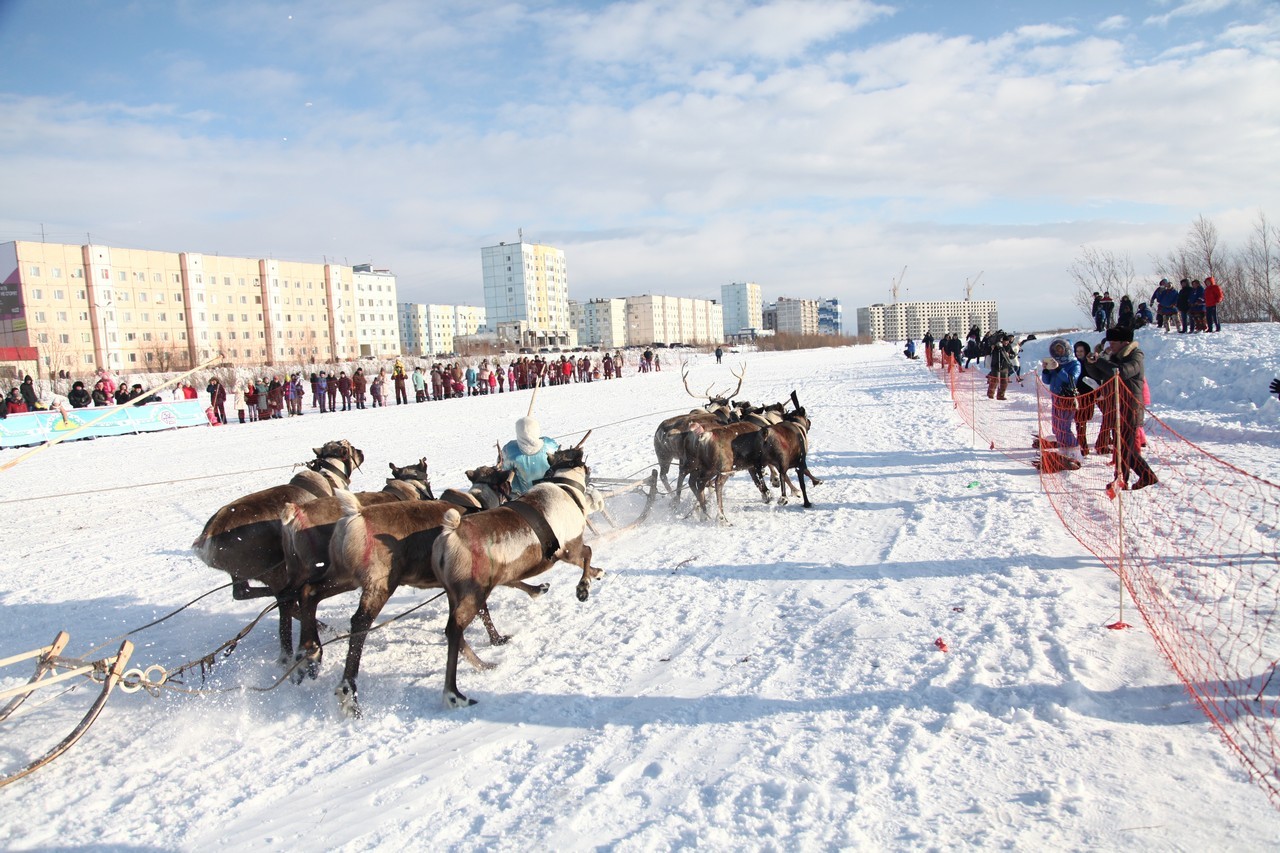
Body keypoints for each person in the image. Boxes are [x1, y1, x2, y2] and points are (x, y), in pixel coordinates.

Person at [1104, 326, 1157, 492]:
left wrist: (1101, 362)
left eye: (1114, 342)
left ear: (1124, 342)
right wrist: (1093, 363)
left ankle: (1145, 475)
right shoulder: (1115, 356)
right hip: (1118, 405)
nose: (1110, 345)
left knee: (1126, 447)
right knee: (1122, 446)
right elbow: (1101, 373)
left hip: (1130, 407)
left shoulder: (1135, 356)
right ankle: (1122, 479)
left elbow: (1122, 372)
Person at [1039, 337, 1083, 467]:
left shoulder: (1074, 364)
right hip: (1056, 397)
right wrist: (1046, 370)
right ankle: (1063, 451)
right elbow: (1047, 381)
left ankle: (1075, 453)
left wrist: (1058, 369)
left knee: (1064, 427)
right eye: (1056, 351)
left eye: (1061, 350)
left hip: (1067, 399)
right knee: (1056, 427)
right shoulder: (1056, 363)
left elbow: (1071, 380)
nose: (1059, 353)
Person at [500, 416, 560, 496]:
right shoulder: (550, 446)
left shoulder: (510, 451)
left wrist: (523, 435)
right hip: (551, 493)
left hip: (523, 498)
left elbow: (503, 473)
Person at [986, 335, 1014, 399]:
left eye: (1007, 341)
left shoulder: (1009, 346)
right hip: (996, 366)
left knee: (1004, 382)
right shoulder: (997, 347)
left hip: (1005, 366)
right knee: (995, 380)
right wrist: (993, 347)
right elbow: (991, 351)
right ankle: (990, 394)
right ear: (1002, 341)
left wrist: (1010, 355)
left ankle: (1001, 395)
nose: (1006, 343)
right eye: (1005, 342)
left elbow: (1013, 354)